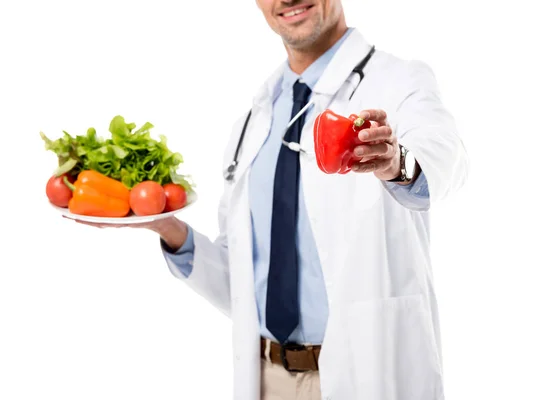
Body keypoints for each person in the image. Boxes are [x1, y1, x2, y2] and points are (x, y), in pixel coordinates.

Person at [84, 1, 468, 399]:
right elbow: (244, 285)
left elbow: (446, 160)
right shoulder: (255, 119)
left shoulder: (399, 81)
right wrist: (169, 228)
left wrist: (396, 162)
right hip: (268, 378)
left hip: (369, 372)